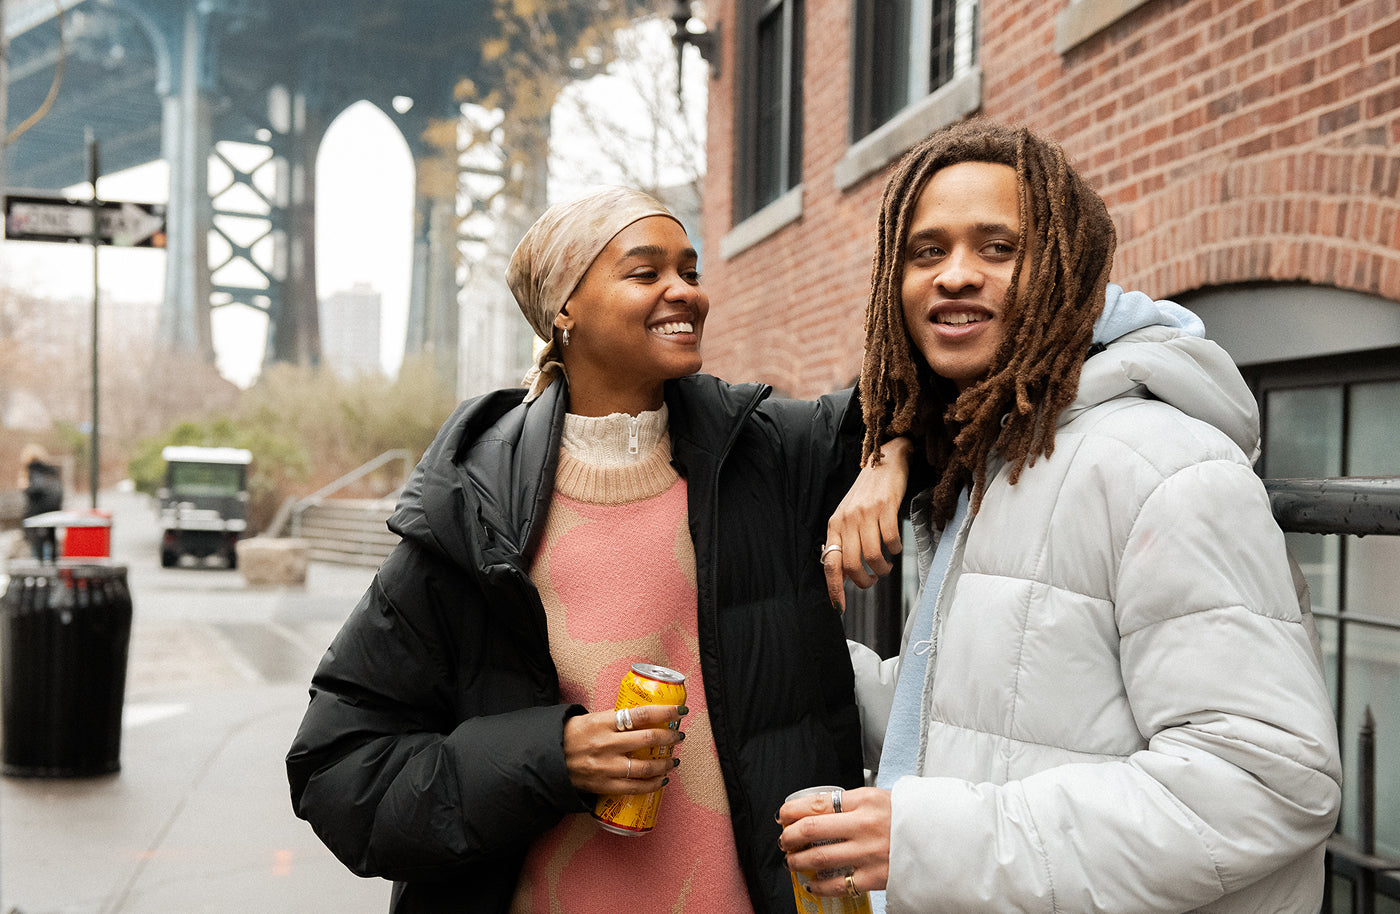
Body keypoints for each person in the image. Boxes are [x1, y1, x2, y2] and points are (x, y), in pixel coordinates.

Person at [778, 119, 1342, 913]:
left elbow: (1265, 783)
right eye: (927, 251)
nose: (955, 276)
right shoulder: (997, 463)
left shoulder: (1161, 466)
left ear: (1064, 273)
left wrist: (928, 840)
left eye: (998, 248)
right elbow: (993, 709)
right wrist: (774, 647)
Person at [286, 186, 902, 913]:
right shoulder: (470, 514)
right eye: (646, 273)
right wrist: (553, 757)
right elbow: (338, 770)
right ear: (564, 311)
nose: (685, 293)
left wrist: (887, 451)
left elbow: (945, 383)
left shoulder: (770, 453)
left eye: (691, 272)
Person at [18, 444, 63, 562]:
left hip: (37, 514)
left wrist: (25, 487)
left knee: (37, 543)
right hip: (54, 512)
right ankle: (53, 566)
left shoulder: (32, 470)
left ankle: (40, 567)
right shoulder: (52, 470)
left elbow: (34, 491)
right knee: (51, 541)